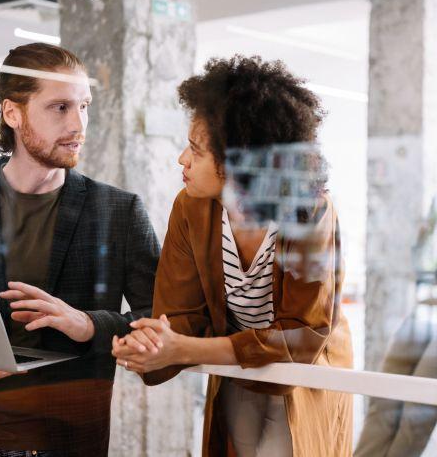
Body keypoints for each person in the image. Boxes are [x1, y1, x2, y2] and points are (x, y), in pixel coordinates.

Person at [0, 43, 160, 457]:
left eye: (84, 106)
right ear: (13, 113)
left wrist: (89, 324)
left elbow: (164, 318)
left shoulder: (119, 211)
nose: (78, 123)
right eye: (60, 107)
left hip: (65, 438)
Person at [112, 56, 353, 457]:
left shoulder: (310, 211)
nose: (182, 161)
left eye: (195, 150)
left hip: (304, 373)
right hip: (237, 366)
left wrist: (186, 350)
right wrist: (153, 344)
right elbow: (180, 313)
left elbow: (301, 336)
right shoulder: (191, 208)